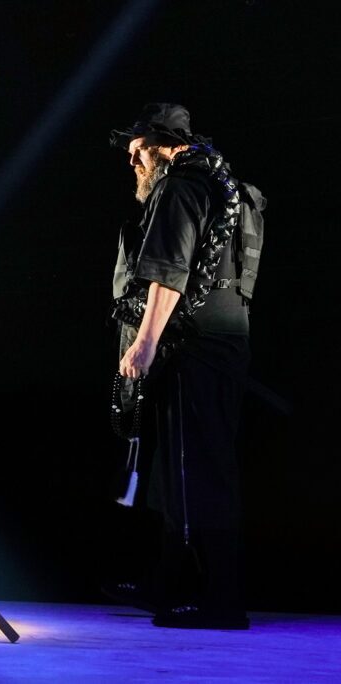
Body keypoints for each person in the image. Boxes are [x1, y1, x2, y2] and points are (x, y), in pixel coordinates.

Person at [105, 103, 261, 629]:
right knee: (182, 468)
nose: (133, 163)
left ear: (164, 145)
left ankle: (217, 599)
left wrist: (144, 343)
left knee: (195, 469)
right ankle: (169, 584)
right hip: (224, 340)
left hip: (195, 345)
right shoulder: (230, 188)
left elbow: (168, 271)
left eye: (138, 152)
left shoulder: (181, 186)